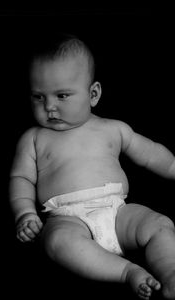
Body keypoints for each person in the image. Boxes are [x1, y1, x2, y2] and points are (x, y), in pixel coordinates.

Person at [9, 34, 175, 299]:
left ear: (93, 94)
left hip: (118, 212)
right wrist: (25, 214)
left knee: (160, 224)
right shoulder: (33, 138)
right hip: (67, 218)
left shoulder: (113, 129)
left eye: (62, 95)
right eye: (38, 97)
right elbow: (21, 178)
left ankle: (170, 273)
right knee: (56, 243)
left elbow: (152, 154)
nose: (49, 106)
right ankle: (127, 272)